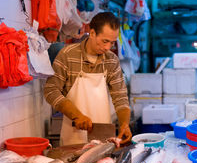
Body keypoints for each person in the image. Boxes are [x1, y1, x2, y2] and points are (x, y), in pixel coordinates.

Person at [44, 12, 132, 146]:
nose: (108, 47)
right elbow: (51, 91)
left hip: (103, 139)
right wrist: (76, 115)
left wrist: (124, 123)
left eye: (112, 43)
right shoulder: (68, 55)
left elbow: (120, 97)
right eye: (105, 41)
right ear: (92, 33)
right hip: (73, 138)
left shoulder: (111, 61)